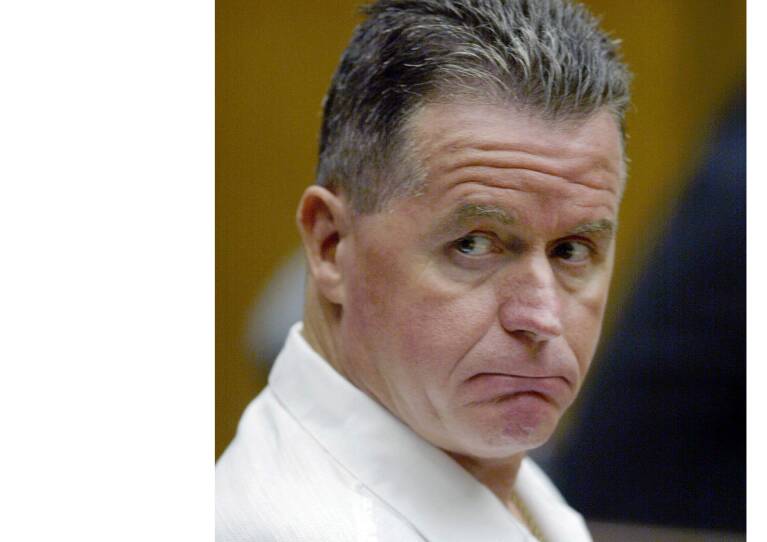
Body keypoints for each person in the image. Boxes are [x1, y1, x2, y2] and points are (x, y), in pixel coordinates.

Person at [216, 0, 632, 540]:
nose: (543, 316)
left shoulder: (476, 458)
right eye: (474, 244)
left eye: (572, 251)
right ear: (330, 244)